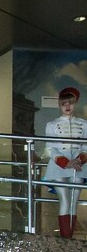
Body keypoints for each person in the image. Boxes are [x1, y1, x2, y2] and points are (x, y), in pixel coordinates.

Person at [44, 86, 86, 238]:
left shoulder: (84, 124)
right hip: (58, 166)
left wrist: (79, 160)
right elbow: (50, 148)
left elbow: (86, 147)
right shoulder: (52, 125)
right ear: (60, 105)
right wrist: (66, 162)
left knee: (74, 201)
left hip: (79, 166)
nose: (67, 106)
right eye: (64, 103)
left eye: (70, 103)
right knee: (65, 200)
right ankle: (64, 239)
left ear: (75, 104)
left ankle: (71, 238)